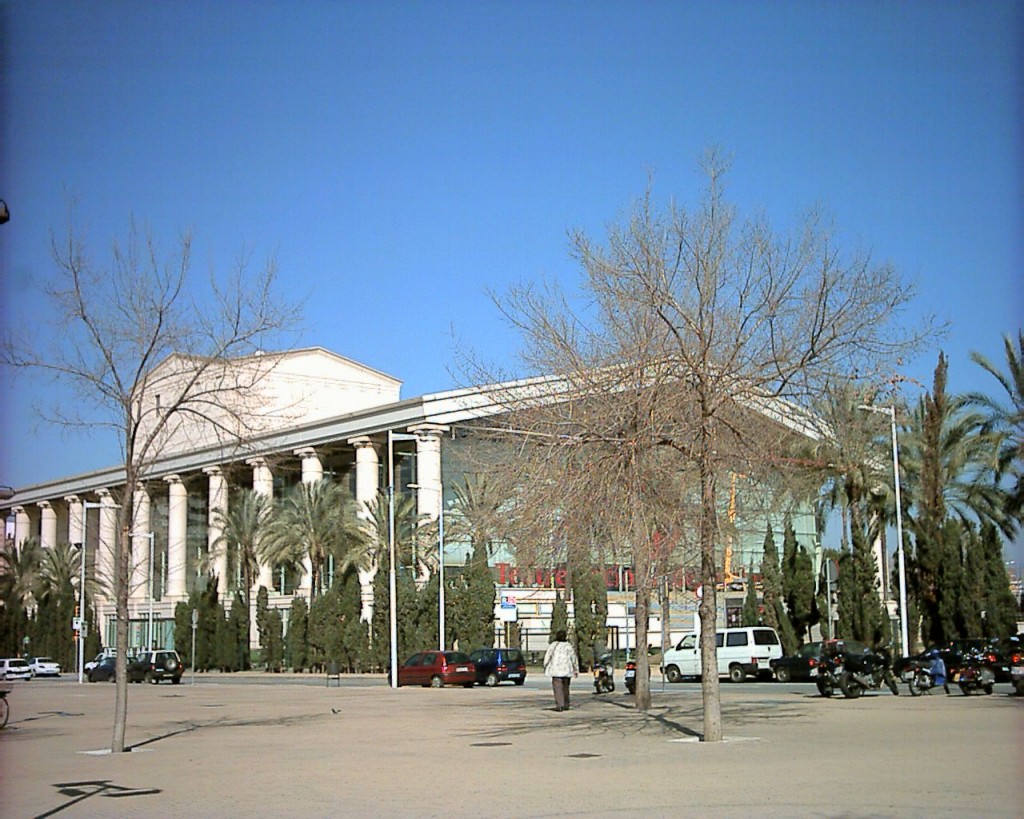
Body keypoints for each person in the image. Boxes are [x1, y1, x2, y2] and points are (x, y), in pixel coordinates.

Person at [543, 630, 579, 711]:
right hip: (567, 671)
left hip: (556, 671)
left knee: (558, 688)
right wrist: (576, 669)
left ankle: (560, 705)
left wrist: (545, 665)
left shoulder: (553, 645)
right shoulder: (568, 646)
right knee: (565, 688)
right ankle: (566, 704)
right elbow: (573, 658)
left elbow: (547, 656)